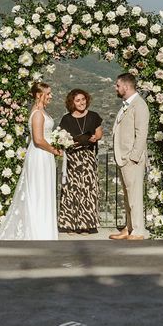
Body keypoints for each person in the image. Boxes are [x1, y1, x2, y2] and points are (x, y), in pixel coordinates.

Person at [0, 82, 63, 240]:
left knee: (44, 190)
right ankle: (39, 232)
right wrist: (55, 150)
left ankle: (45, 230)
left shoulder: (42, 111)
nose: (51, 96)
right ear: (39, 95)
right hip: (40, 155)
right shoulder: (37, 113)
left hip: (45, 155)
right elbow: (38, 139)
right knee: (39, 191)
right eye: (48, 93)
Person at [110, 72, 151, 240]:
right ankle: (129, 227)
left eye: (118, 85)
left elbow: (141, 134)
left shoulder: (139, 105)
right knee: (128, 196)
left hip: (131, 159)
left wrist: (133, 157)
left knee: (134, 195)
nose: (116, 88)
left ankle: (138, 231)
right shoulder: (127, 104)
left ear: (126, 86)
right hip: (124, 158)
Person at [57, 88, 104, 234]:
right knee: (71, 190)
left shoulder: (94, 116)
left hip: (88, 157)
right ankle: (70, 224)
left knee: (88, 191)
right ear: (72, 102)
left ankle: (86, 225)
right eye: (78, 100)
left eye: (83, 99)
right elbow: (61, 137)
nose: (81, 102)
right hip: (72, 158)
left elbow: (99, 132)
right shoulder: (66, 119)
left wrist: (96, 137)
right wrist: (72, 141)